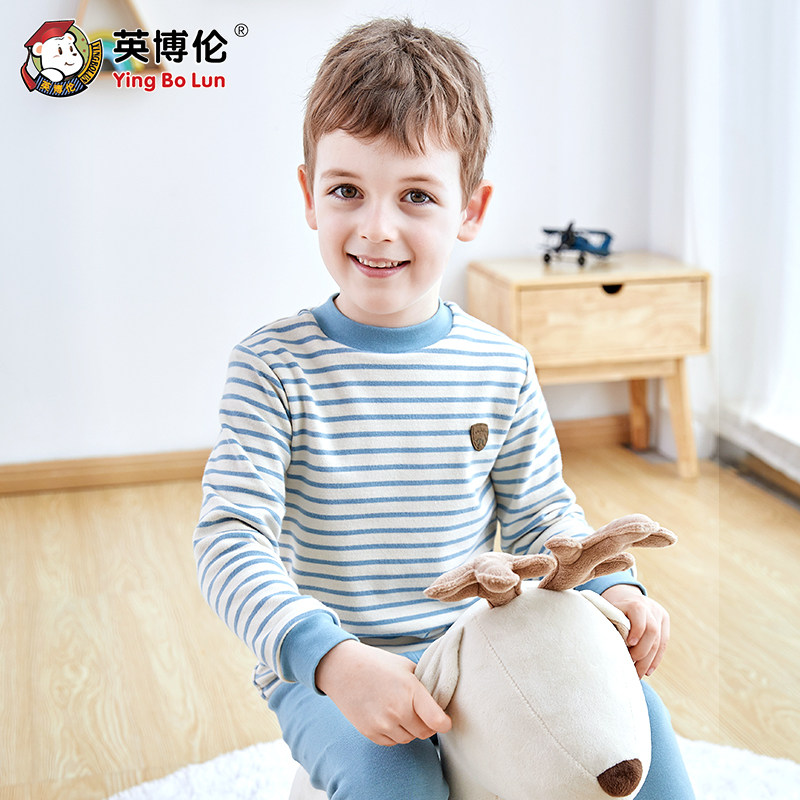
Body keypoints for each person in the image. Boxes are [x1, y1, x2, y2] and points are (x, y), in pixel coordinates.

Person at [193, 17, 695, 800]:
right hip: (335, 671)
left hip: (481, 647)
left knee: (638, 730)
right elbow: (229, 541)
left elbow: (541, 514)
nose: (377, 228)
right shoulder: (271, 367)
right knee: (397, 779)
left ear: (470, 209)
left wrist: (614, 590)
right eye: (347, 190)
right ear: (308, 193)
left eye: (417, 196)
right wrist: (331, 659)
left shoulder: (502, 366)